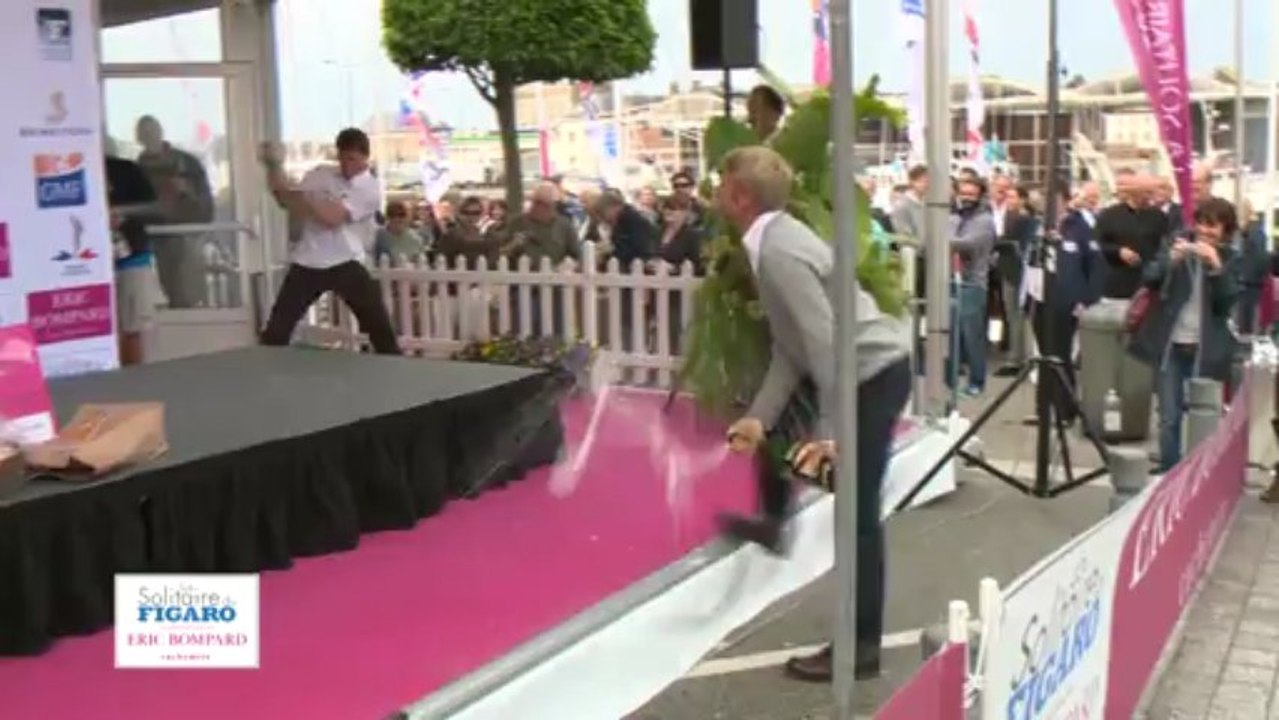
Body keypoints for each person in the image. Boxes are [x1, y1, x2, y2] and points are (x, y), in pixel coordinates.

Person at [714, 146, 912, 683]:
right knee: (821, 476)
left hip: (871, 375)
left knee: (857, 514)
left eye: (720, 182)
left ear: (739, 196)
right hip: (865, 371)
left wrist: (831, 434)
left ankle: (860, 648)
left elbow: (826, 349)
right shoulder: (774, 240)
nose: (714, 190)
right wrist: (759, 416)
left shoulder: (777, 251)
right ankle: (774, 523)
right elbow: (792, 347)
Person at [259, 128, 400, 355]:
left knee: (379, 327)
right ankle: (263, 374)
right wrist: (273, 167)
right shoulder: (321, 173)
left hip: (346, 261)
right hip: (308, 260)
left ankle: (396, 368)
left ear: (365, 157)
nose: (346, 166)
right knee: (277, 330)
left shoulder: (370, 188)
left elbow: (332, 218)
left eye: (352, 159)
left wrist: (306, 199)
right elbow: (285, 200)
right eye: (342, 158)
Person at [1129, 197, 1240, 472]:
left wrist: (1216, 267)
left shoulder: (1231, 258)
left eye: (1213, 227)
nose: (1205, 232)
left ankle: (1200, 469)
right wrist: (1170, 261)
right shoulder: (1176, 244)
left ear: (1226, 230)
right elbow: (1149, 277)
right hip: (1171, 345)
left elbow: (1226, 305)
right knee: (1169, 415)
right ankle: (1170, 467)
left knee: (1203, 414)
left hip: (1205, 349)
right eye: (1201, 224)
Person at [134, 115, 213, 309]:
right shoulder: (137, 171)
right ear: (139, 139)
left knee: (188, 293)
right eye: (145, 133)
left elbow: (206, 205)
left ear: (161, 132)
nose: (150, 136)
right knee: (167, 291)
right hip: (155, 240)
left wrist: (187, 192)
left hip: (187, 238)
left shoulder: (187, 164)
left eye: (153, 131)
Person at [105, 148, 164, 366]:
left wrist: (122, 212)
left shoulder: (125, 169)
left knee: (133, 327)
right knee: (98, 328)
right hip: (84, 263)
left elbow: (156, 207)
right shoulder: (63, 167)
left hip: (131, 258)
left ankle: (135, 385)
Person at [372, 200, 426, 267]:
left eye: (401, 215)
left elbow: (422, 263)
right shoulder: (380, 236)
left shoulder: (416, 238)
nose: (396, 218)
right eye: (392, 215)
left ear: (407, 217)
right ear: (387, 217)